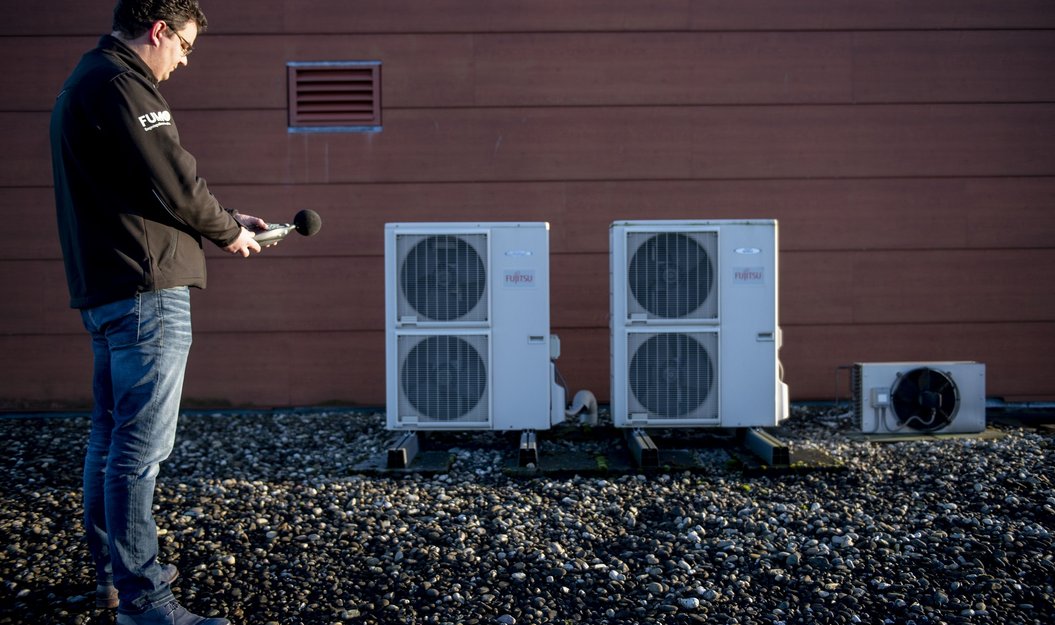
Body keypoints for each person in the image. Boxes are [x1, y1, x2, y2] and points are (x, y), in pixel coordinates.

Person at [50, 1, 264, 624]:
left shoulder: (83, 79)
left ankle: (111, 581)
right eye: (185, 46)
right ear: (159, 30)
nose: (183, 61)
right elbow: (173, 178)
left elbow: (147, 186)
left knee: (110, 440)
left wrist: (228, 218)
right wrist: (228, 232)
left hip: (108, 289)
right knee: (138, 451)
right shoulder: (124, 81)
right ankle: (146, 603)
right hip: (146, 293)